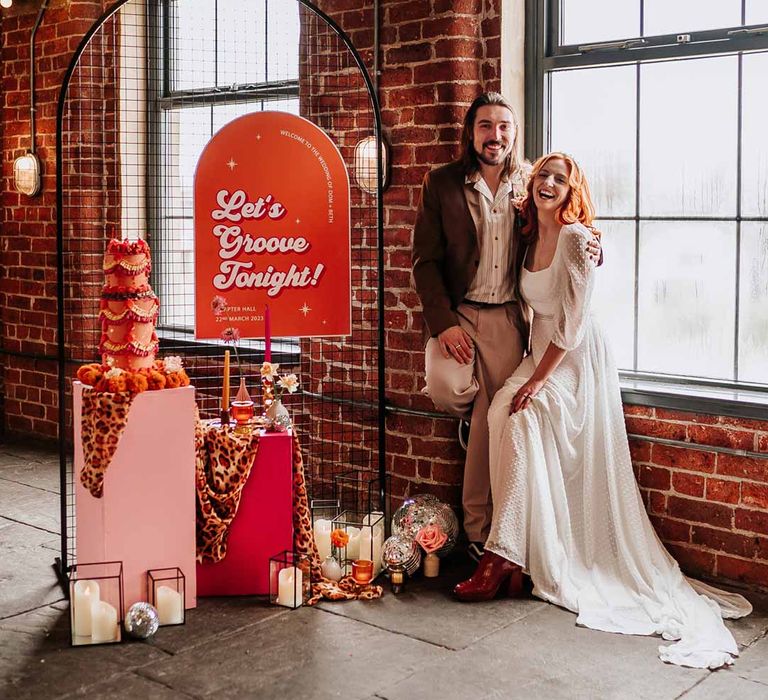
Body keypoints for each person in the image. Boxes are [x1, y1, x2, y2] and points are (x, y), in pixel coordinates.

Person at [453, 152, 752, 669]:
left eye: (560, 179)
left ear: (573, 191)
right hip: (538, 352)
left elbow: (570, 325)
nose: (549, 183)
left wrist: (538, 383)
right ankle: (520, 554)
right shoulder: (530, 234)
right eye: (543, 175)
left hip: (573, 357)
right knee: (501, 408)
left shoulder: (575, 239)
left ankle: (503, 558)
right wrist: (526, 376)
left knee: (525, 417)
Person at [412, 93, 599, 559]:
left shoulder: (530, 181)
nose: (494, 135)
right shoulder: (441, 183)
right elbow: (425, 262)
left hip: (507, 319)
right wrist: (442, 324)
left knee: (488, 419)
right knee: (449, 387)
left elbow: (564, 223)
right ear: (471, 132)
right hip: (459, 314)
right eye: (485, 126)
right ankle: (483, 512)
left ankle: (480, 530)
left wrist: (594, 243)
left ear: (514, 134)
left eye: (503, 127)